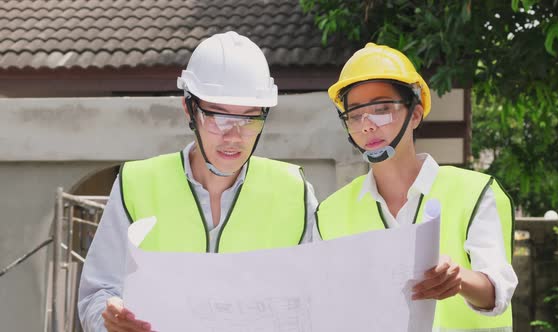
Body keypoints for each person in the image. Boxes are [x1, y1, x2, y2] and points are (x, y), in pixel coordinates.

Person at [78, 31, 318, 332]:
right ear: (189, 110)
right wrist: (109, 320)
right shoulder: (136, 183)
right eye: (218, 117)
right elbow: (97, 294)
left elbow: (318, 298)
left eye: (249, 118)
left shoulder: (293, 191)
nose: (234, 135)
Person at [314, 43, 517, 331]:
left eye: (381, 109)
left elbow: (498, 291)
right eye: (356, 115)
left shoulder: (475, 192)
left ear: (416, 114)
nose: (367, 125)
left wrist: (458, 279)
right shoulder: (328, 212)